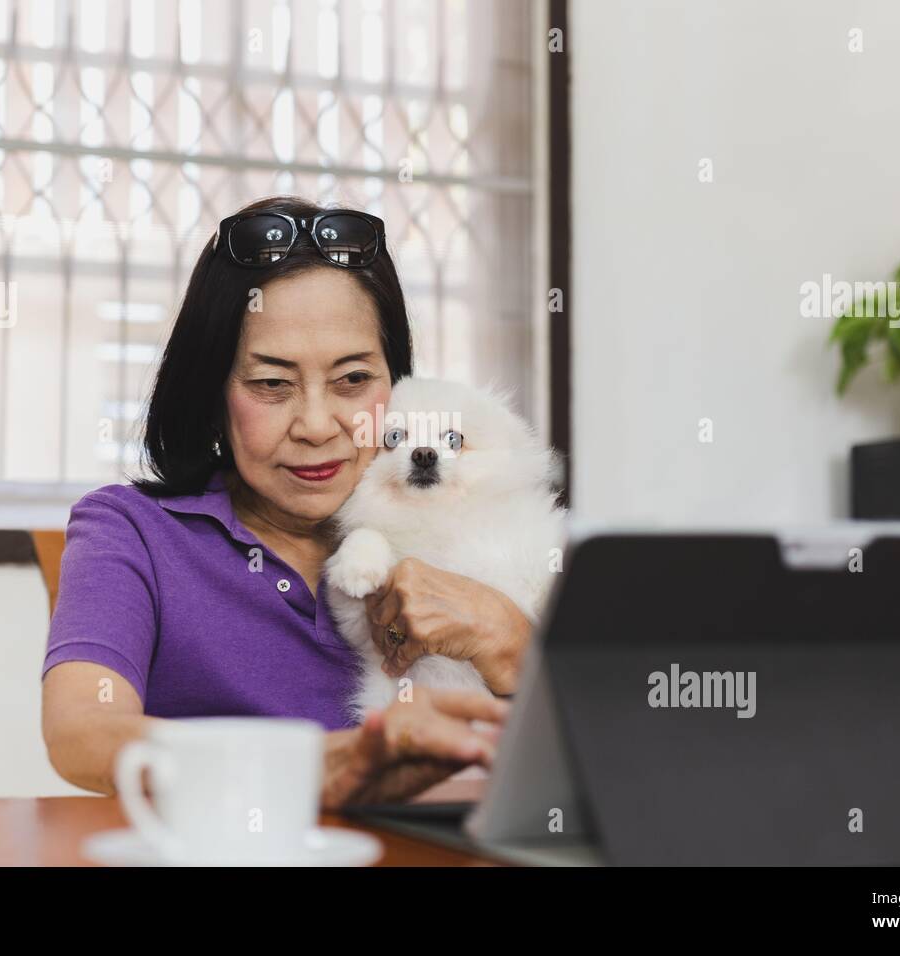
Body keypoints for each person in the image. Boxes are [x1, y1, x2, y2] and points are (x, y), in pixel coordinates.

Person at [41, 196, 533, 807]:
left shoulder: (477, 526)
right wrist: (315, 768)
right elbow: (84, 736)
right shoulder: (132, 531)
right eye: (271, 383)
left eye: (353, 380)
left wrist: (512, 643)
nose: (317, 425)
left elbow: (610, 769)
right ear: (213, 392)